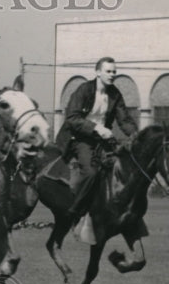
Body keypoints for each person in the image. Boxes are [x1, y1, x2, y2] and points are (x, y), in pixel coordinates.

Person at [55, 56, 138, 239]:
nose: (112, 75)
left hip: (103, 141)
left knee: (122, 169)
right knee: (91, 173)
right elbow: (72, 118)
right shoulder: (84, 90)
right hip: (80, 139)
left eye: (114, 71)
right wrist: (97, 128)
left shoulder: (115, 94)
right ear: (98, 72)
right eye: (108, 71)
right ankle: (74, 212)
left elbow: (124, 120)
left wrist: (135, 136)